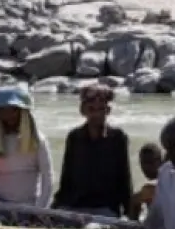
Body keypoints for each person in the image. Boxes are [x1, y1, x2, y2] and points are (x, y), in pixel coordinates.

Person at [0, 85, 53, 225]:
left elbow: (48, 177)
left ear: (24, 112)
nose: (9, 116)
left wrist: (40, 209)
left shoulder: (38, 140)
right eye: (3, 111)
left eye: (14, 110)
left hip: (32, 208)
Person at [53, 85, 133, 218]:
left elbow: (125, 178)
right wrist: (56, 205)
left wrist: (129, 212)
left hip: (105, 208)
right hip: (74, 206)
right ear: (83, 111)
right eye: (91, 109)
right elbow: (66, 177)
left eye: (101, 109)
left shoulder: (118, 137)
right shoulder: (74, 137)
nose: (96, 114)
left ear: (108, 110)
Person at [128, 143, 163, 221]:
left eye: (150, 162)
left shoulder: (157, 184)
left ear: (160, 161)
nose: (146, 167)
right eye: (143, 162)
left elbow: (135, 200)